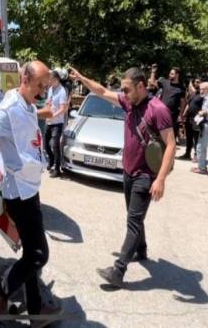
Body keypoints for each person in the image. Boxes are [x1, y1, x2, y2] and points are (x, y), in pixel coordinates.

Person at [69, 66, 176, 288]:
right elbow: (101, 91)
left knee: (133, 221)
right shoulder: (129, 102)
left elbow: (171, 145)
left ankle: (118, 271)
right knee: (134, 216)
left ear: (140, 86)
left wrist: (161, 179)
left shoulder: (158, 110)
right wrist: (82, 78)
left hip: (145, 175)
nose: (123, 94)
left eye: (127, 89)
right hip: (128, 171)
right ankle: (142, 250)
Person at [0, 61, 64, 321]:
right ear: (24, 80)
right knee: (39, 255)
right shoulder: (8, 107)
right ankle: (1, 288)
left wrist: (42, 112)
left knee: (30, 254)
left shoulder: (25, 103)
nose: (43, 91)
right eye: (40, 85)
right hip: (18, 193)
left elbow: (27, 125)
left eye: (46, 86)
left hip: (29, 188)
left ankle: (36, 310)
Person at [149, 64, 186, 144]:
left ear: (177, 75)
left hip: (172, 115)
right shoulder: (165, 82)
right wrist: (153, 72)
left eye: (172, 74)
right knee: (156, 133)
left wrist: (181, 114)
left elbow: (182, 102)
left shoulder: (181, 88)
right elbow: (152, 82)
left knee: (168, 137)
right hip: (161, 113)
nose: (170, 75)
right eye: (170, 73)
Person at [44, 70, 69, 178]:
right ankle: (51, 160)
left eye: (51, 80)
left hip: (57, 122)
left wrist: (53, 115)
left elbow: (63, 109)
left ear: (57, 79)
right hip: (49, 121)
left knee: (55, 145)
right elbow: (48, 102)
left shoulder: (62, 91)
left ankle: (57, 169)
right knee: (45, 145)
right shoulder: (50, 89)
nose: (49, 82)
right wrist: (47, 105)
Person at [178, 78, 203, 162]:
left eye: (198, 82)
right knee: (189, 137)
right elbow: (188, 105)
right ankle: (187, 154)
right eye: (195, 82)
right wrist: (183, 114)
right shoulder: (193, 94)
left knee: (196, 138)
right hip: (189, 119)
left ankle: (196, 155)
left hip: (197, 120)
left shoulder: (203, 95)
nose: (196, 83)